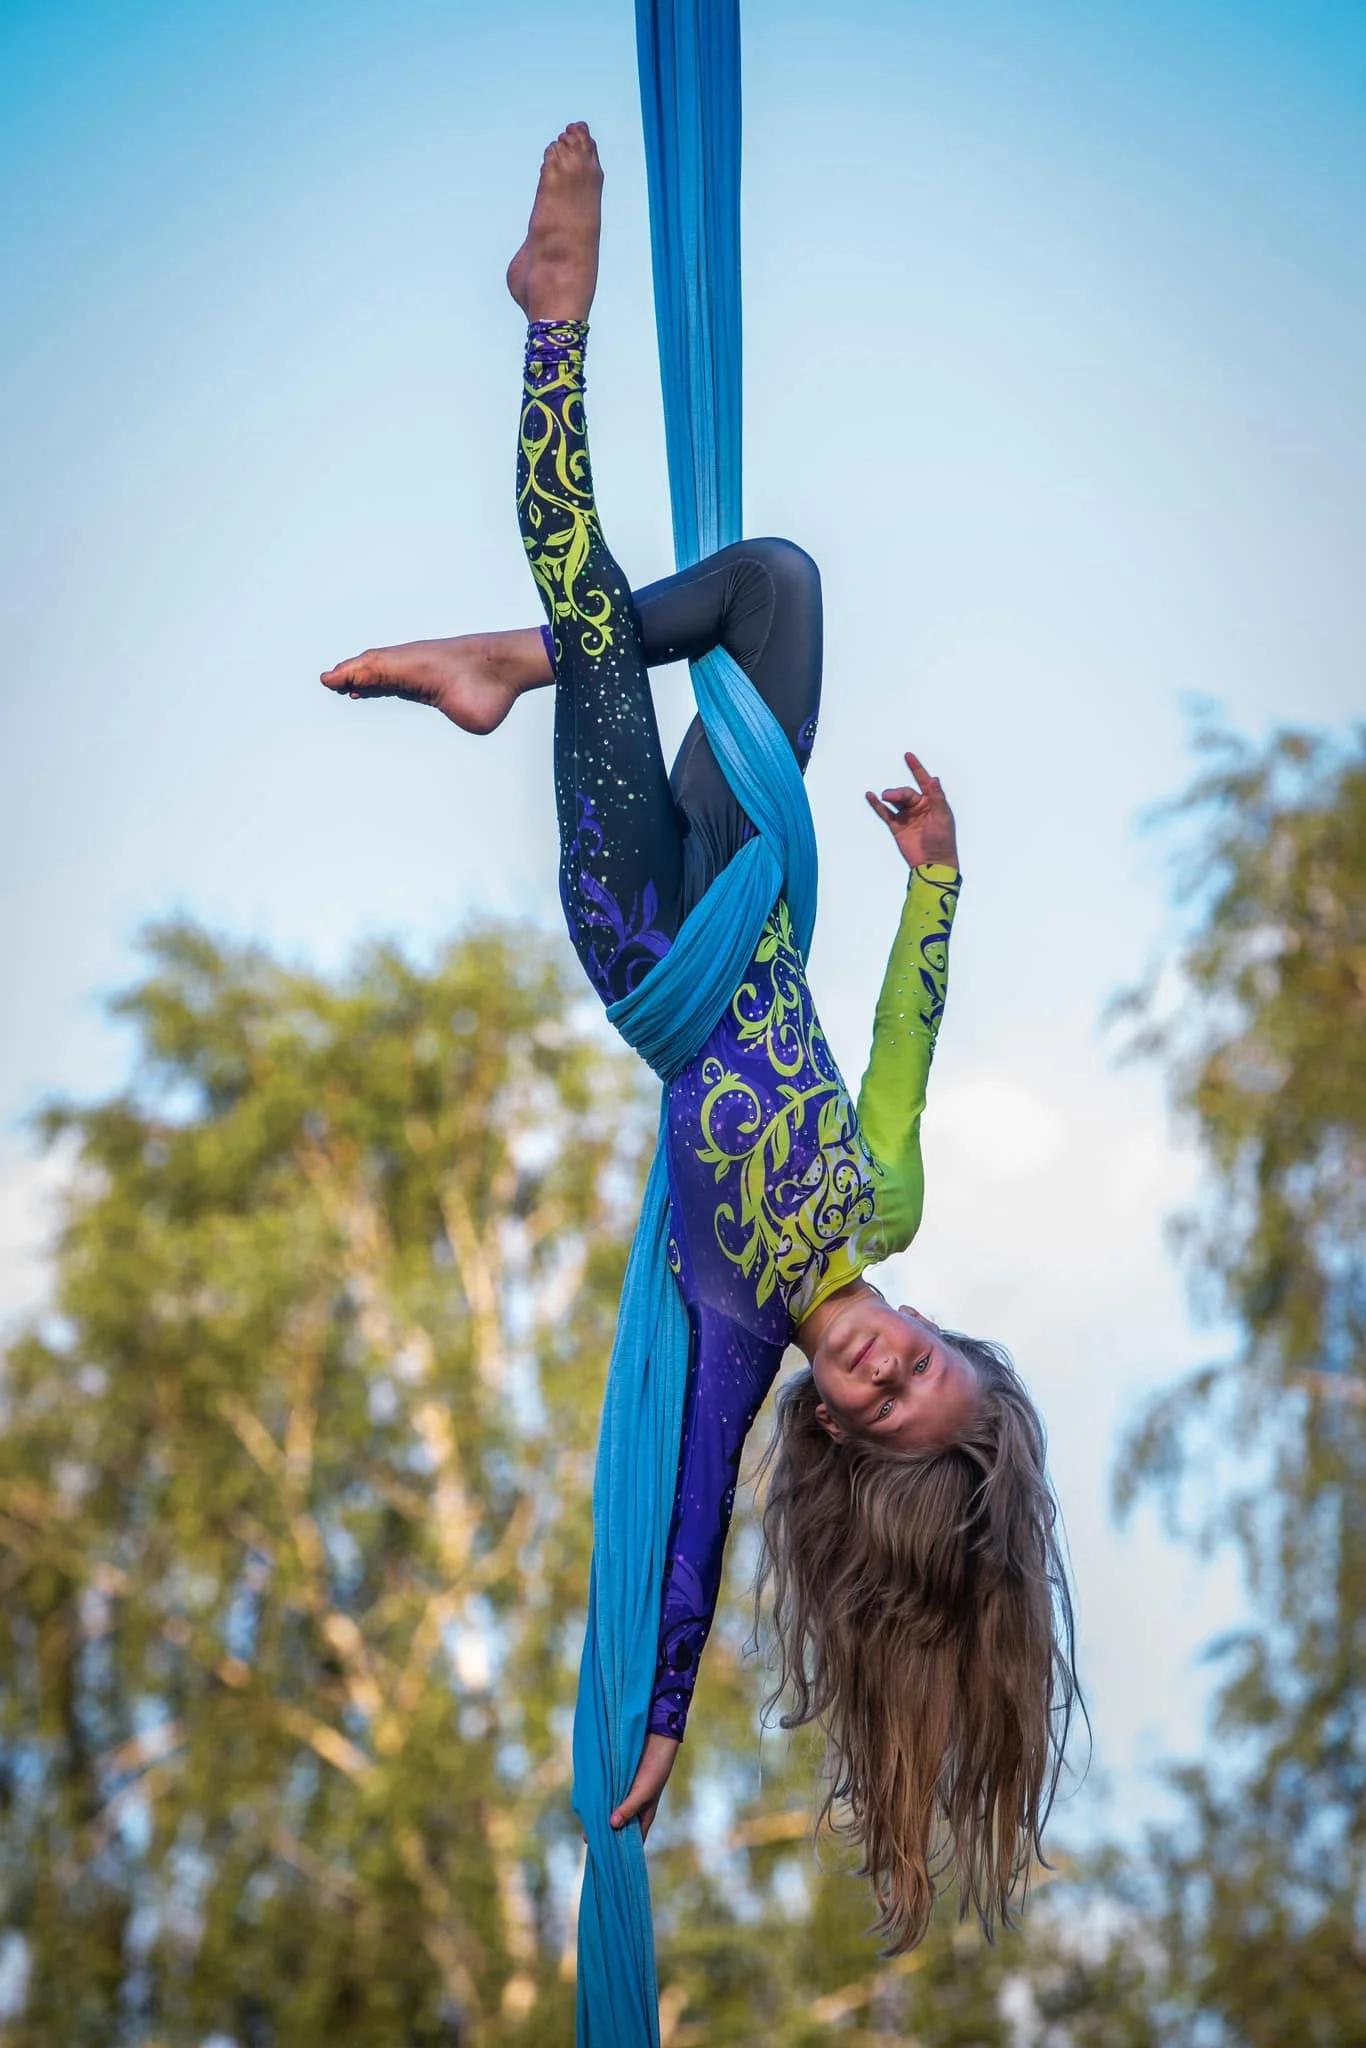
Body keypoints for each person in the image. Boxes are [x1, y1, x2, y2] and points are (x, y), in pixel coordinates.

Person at [321, 122, 1081, 1954]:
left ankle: (549, 321)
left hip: (646, 945)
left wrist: (657, 1721)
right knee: (777, 584)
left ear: (840, 1434)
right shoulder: (880, 1200)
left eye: (880, 1403)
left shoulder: (734, 1329)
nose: (884, 1364)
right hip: (759, 885)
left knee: (597, 607)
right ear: (937, 1332)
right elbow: (898, 1049)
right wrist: (937, 885)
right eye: (925, 1362)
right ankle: (507, 663)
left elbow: (681, 1534)